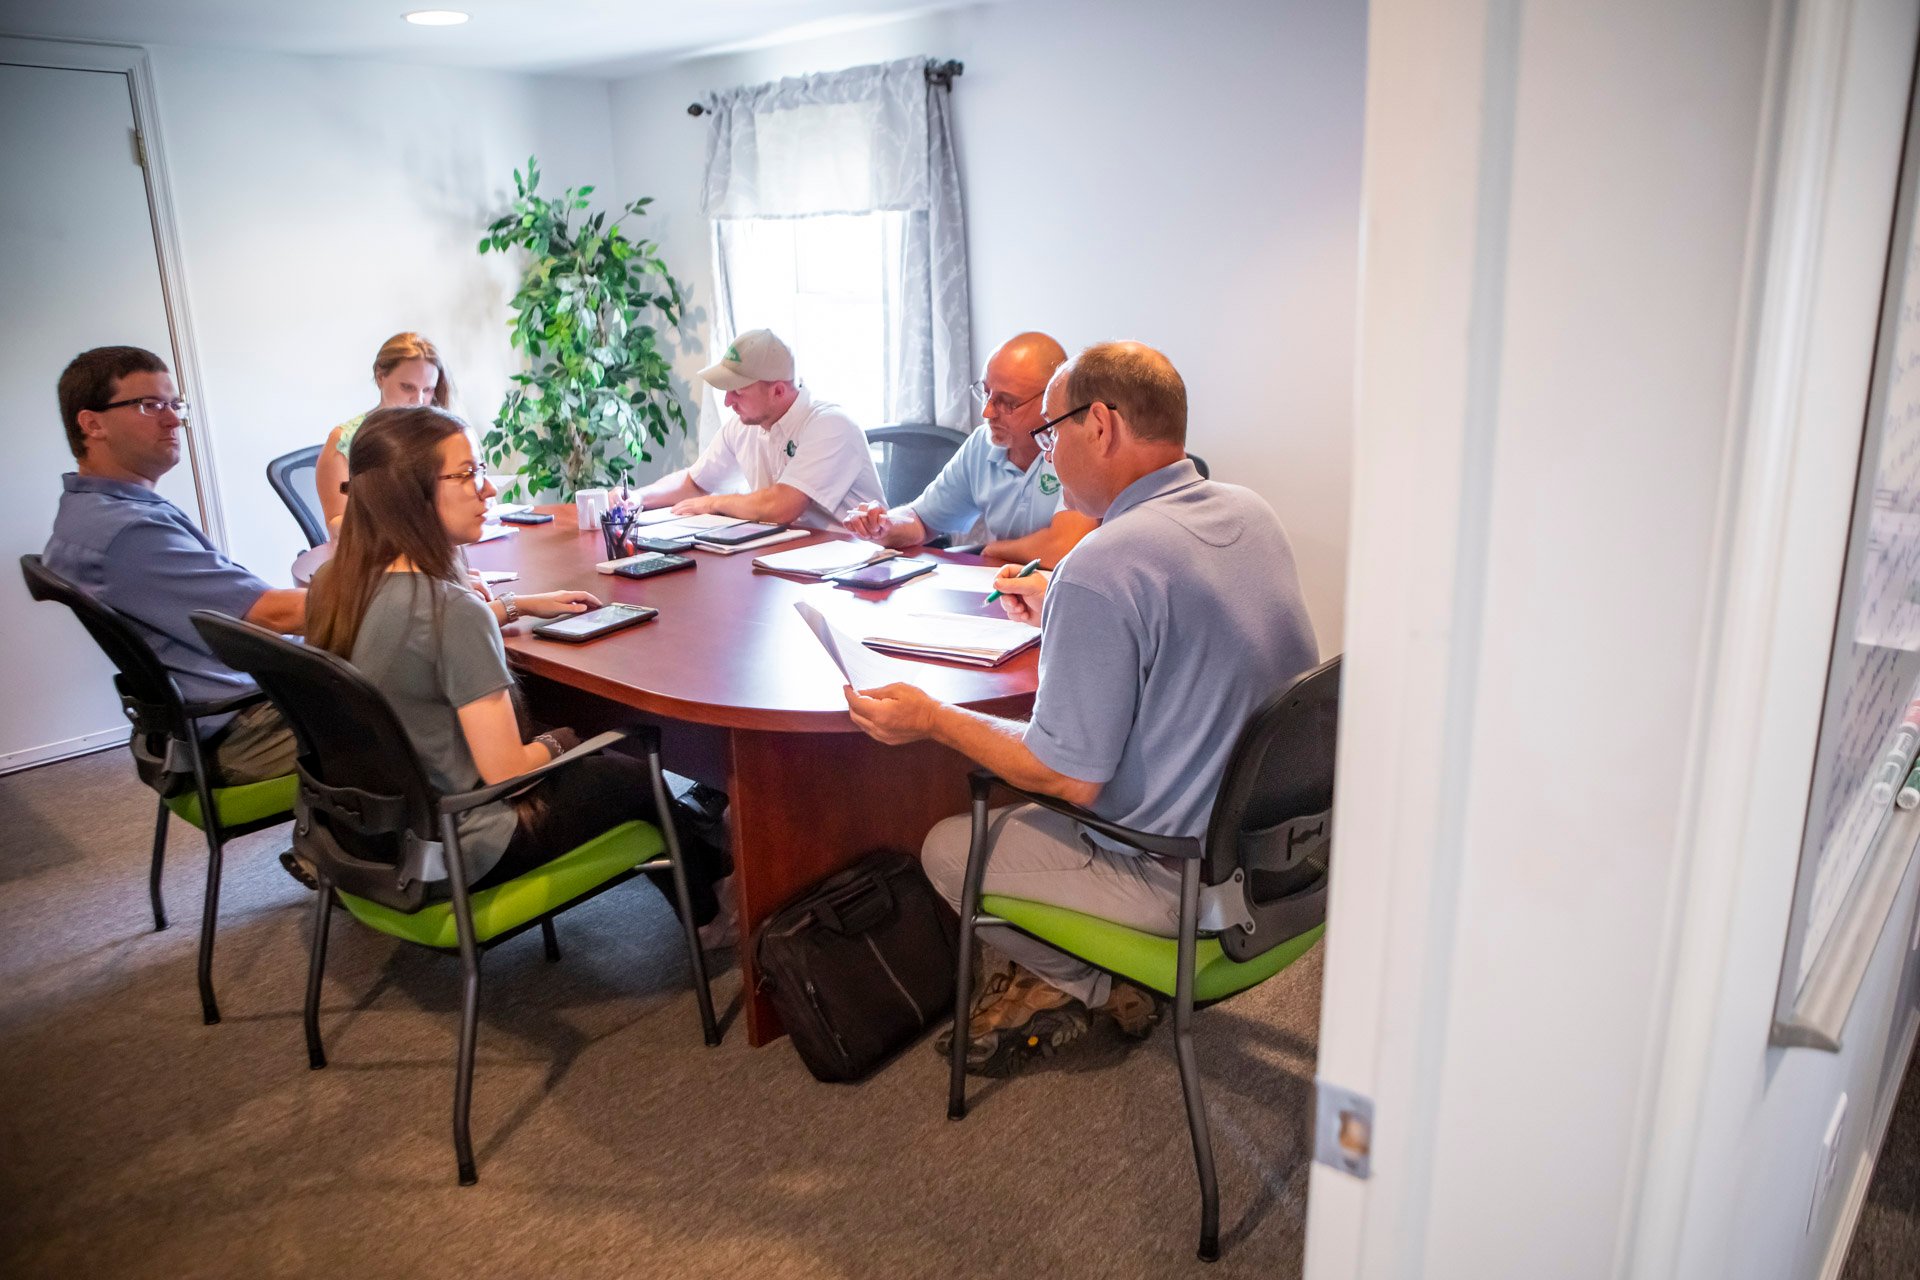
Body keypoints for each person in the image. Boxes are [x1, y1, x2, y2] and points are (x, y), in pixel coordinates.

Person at [842, 341, 1319, 1076]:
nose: (1044, 453)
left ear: (1100, 424)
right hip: (1283, 860)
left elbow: (1066, 778)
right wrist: (1061, 612)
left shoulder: (1104, 565)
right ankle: (1082, 972)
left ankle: (1092, 982)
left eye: (1053, 430)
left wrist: (933, 719)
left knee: (946, 846)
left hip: (1183, 879)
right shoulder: (1249, 512)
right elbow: (1186, 635)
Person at [304, 405, 727, 912]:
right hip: (464, 844)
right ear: (408, 494)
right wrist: (562, 737)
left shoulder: (335, 585)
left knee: (592, 751)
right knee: (632, 770)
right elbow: (506, 769)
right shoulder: (450, 612)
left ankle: (709, 865)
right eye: (468, 474)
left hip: (369, 837)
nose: (490, 490)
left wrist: (512, 606)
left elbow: (419, 641)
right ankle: (713, 912)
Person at [44, 345, 306, 786]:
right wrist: (401, 587)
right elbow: (272, 616)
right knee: (428, 697)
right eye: (150, 405)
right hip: (243, 731)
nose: (173, 420)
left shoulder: (91, 510)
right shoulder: (127, 533)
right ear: (92, 424)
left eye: (173, 404)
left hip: (218, 714)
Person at [843, 332, 1098, 565]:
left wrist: (993, 550)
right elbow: (923, 520)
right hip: (1005, 591)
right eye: (985, 393)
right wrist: (886, 525)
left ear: (1051, 397)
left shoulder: (1076, 447)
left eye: (1006, 402)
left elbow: (1065, 548)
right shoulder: (982, 444)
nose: (987, 412)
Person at [635, 329, 881, 530]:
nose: (728, 402)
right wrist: (637, 498)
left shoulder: (831, 426)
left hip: (853, 567)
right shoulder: (744, 425)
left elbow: (781, 507)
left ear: (778, 391)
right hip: (785, 556)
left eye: (738, 391)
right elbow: (695, 482)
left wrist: (713, 504)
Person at [315, 332, 453, 538]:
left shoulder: (438, 434)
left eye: (428, 390)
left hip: (436, 549)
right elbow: (338, 523)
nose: (418, 399)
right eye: (407, 387)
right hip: (376, 555)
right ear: (381, 377)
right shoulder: (345, 439)